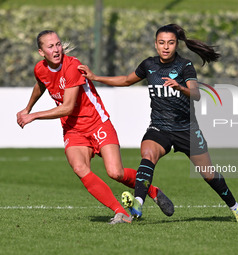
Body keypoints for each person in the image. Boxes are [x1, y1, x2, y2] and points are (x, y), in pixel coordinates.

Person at [78, 24, 238, 223]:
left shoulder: (184, 66)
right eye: (161, 43)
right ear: (155, 44)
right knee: (148, 155)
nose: (166, 47)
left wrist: (180, 87)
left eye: (170, 43)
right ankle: (138, 204)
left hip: (186, 129)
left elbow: (196, 94)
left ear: (176, 45)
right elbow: (126, 80)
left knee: (209, 174)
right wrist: (95, 77)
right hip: (159, 127)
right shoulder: (149, 65)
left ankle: (235, 207)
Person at [16, 30, 174, 225]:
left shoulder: (72, 66)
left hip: (97, 122)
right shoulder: (40, 68)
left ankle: (152, 190)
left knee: (116, 173)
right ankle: (120, 212)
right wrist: (27, 107)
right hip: (73, 130)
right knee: (79, 167)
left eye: (58, 44)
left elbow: (67, 107)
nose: (57, 49)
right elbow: (41, 84)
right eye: (51, 46)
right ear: (41, 52)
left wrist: (33, 115)